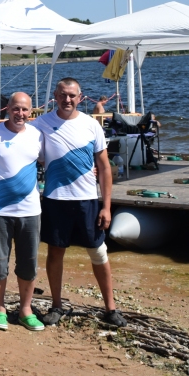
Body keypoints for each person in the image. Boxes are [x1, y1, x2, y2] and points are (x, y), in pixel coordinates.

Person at [33, 77, 126, 328]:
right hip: (56, 199)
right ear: (55, 95)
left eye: (72, 95)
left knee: (99, 252)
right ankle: (56, 305)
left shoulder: (91, 124)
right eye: (63, 94)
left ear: (80, 97)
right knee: (55, 253)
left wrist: (107, 206)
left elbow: (105, 167)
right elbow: (13, 132)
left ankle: (111, 308)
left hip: (87, 200)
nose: (67, 100)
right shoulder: (40, 124)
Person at [0, 91, 45, 332]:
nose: (20, 114)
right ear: (7, 109)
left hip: (30, 211)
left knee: (28, 263)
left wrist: (89, 172)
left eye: (25, 110)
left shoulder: (38, 136)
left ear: (31, 112)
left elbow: (53, 161)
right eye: (16, 109)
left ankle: (26, 310)